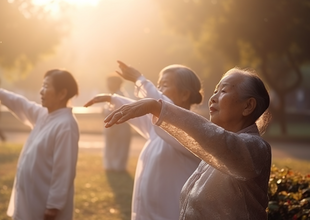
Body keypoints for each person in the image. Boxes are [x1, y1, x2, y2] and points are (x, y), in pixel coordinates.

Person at [104, 68, 272, 219]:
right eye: (215, 91)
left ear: (248, 105)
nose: (213, 98)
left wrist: (158, 107)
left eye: (224, 90)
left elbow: (218, 139)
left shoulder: (255, 148)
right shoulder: (213, 151)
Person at [84, 60, 203, 220]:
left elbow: (160, 105)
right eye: (158, 85)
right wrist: (112, 99)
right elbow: (142, 111)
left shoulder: (190, 129)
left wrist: (140, 80)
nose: (159, 90)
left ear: (184, 94)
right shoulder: (158, 129)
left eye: (165, 85)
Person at [0, 69, 80, 220]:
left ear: (62, 93)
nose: (41, 91)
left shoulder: (66, 125)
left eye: (46, 86)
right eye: (42, 86)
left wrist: (54, 206)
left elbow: (64, 170)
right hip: (31, 197)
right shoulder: (44, 114)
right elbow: (22, 104)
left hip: (45, 204)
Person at [103, 74, 132, 171]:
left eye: (110, 82)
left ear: (117, 83)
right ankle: (110, 166)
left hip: (121, 127)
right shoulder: (111, 95)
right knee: (111, 146)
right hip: (111, 127)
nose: (108, 85)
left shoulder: (121, 97)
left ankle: (118, 167)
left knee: (120, 147)